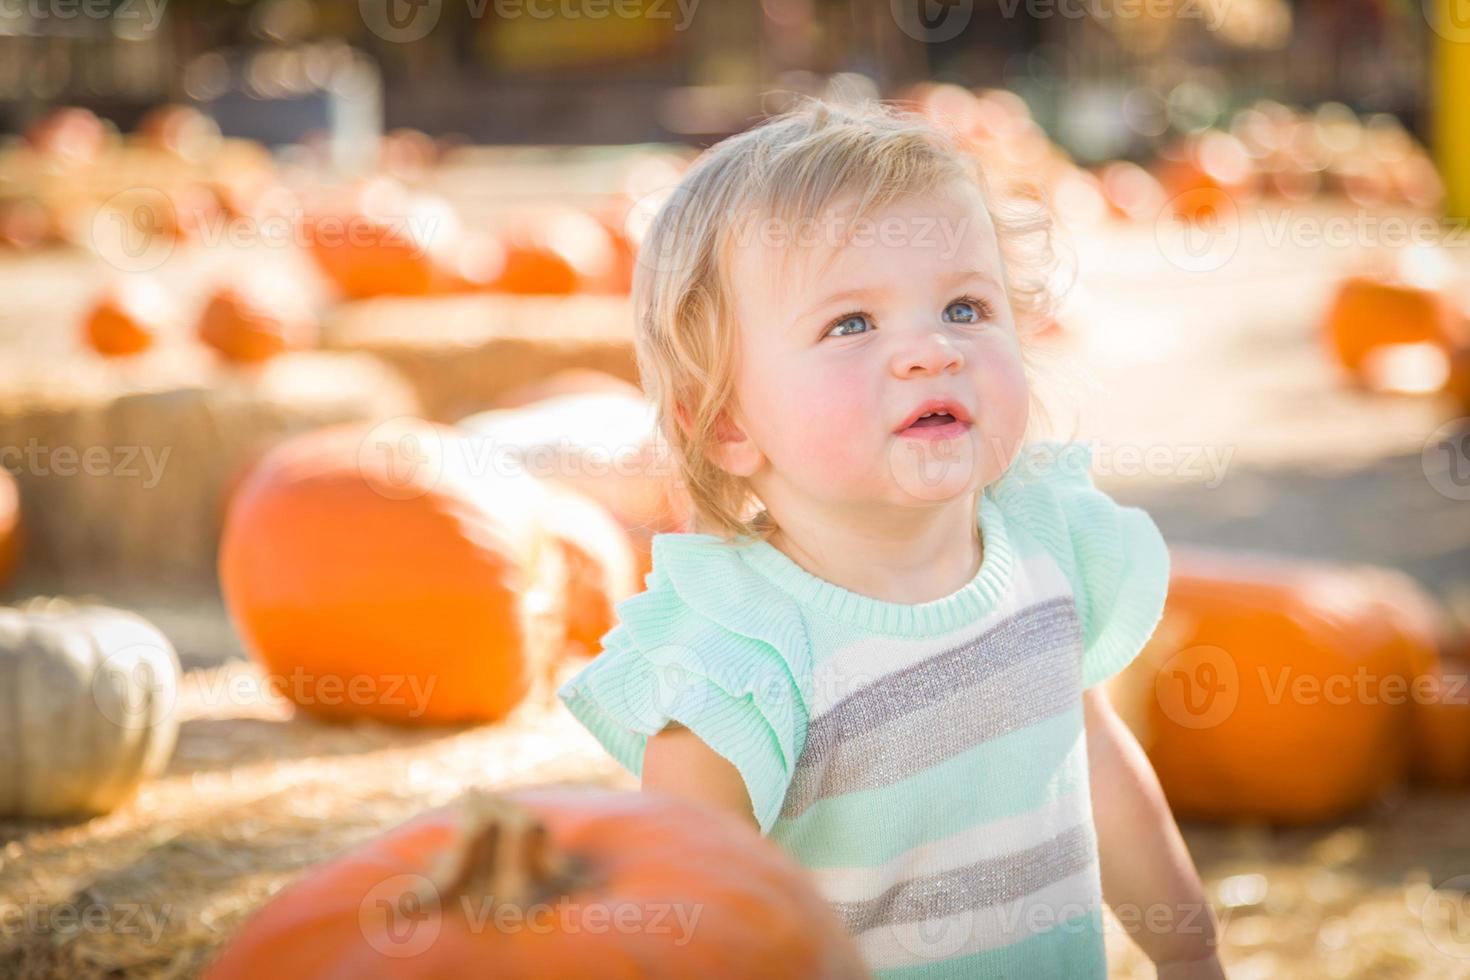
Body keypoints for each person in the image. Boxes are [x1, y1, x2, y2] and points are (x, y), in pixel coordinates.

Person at [557, 96, 1225, 979]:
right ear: (725, 424)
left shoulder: (1044, 549)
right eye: (853, 325)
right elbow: (687, 914)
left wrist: (1189, 953)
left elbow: (1093, 756)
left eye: (964, 308)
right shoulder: (741, 660)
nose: (931, 352)